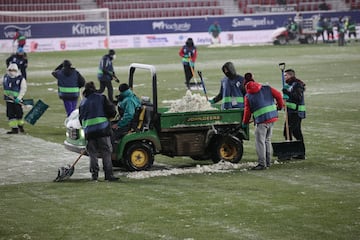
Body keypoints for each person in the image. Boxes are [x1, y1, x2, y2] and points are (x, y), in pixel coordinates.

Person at [241, 73, 284, 170]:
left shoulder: (248, 96)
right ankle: (268, 162)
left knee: (260, 142)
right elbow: (278, 95)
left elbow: (247, 112)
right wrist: (280, 106)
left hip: (261, 121)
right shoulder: (267, 88)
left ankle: (262, 164)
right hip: (272, 118)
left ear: (245, 85)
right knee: (267, 140)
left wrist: (244, 122)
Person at [79, 81, 118, 181]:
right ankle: (108, 175)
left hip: (89, 132)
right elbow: (111, 111)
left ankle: (94, 175)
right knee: (106, 152)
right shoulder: (101, 97)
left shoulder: (83, 102)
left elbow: (81, 119)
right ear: (94, 88)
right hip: (102, 130)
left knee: (92, 154)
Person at [282, 69, 306, 159]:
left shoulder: (297, 84)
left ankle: (289, 153)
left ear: (291, 76)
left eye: (286, 76)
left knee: (287, 131)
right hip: (291, 112)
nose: (284, 77)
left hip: (296, 112)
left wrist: (287, 92)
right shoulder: (290, 85)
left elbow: (298, 97)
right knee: (297, 133)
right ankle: (300, 153)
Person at [0, 63, 27, 134]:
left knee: (19, 115)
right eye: (10, 70)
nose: (12, 71)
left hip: (17, 101)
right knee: (10, 115)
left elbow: (23, 89)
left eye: (14, 70)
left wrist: (19, 98)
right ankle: (14, 129)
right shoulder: (5, 77)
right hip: (9, 100)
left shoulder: (21, 79)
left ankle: (21, 126)